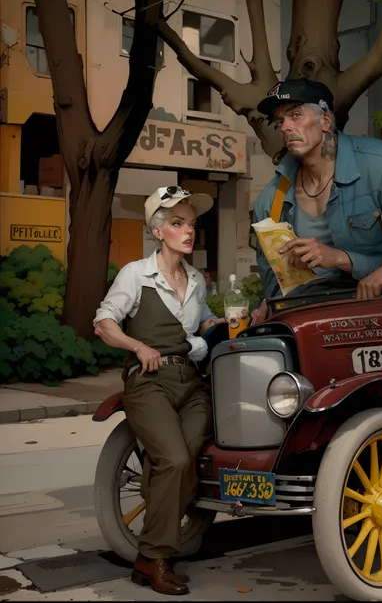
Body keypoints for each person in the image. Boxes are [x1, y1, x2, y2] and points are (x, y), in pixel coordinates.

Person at [93, 186, 226, 596]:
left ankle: (149, 556)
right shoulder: (136, 274)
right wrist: (137, 345)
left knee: (184, 462)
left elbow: (205, 323)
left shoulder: (197, 281)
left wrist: (235, 319)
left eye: (191, 223)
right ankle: (152, 557)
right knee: (172, 458)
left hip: (192, 383)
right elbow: (103, 322)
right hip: (149, 382)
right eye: (177, 223)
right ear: (157, 230)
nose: (188, 231)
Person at [248, 78, 382, 325]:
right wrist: (265, 305)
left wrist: (377, 271)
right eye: (280, 121)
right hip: (310, 321)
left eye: (295, 115)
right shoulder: (272, 199)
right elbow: (274, 279)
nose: (284, 127)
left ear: (325, 121)